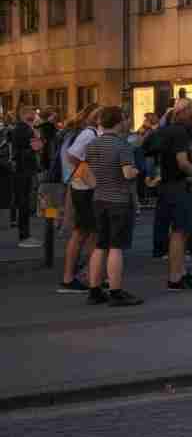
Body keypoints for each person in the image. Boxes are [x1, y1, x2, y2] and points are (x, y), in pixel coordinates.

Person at [84, 106, 142, 306]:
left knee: (100, 245)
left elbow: (87, 174)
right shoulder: (122, 145)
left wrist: (98, 185)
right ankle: (116, 291)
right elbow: (127, 173)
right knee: (116, 247)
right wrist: (136, 171)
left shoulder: (92, 144)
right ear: (118, 122)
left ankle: (94, 290)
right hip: (119, 200)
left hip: (99, 199)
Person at [149, 99, 192, 289]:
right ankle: (175, 277)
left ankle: (180, 272)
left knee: (180, 231)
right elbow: (182, 161)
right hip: (178, 186)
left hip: (168, 185)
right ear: (188, 115)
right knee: (180, 232)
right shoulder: (181, 132)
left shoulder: (168, 130)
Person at [57, 105, 100, 292]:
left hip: (83, 187)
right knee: (82, 232)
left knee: (89, 232)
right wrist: (88, 174)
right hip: (83, 189)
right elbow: (72, 156)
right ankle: (70, 278)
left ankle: (91, 275)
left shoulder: (90, 133)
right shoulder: (89, 134)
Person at [10, 106, 42, 248]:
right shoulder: (24, 129)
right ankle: (24, 236)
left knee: (23, 202)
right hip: (24, 169)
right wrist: (37, 143)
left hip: (22, 169)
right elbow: (33, 148)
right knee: (24, 202)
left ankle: (25, 235)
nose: (35, 115)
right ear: (25, 114)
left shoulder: (22, 128)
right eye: (33, 113)